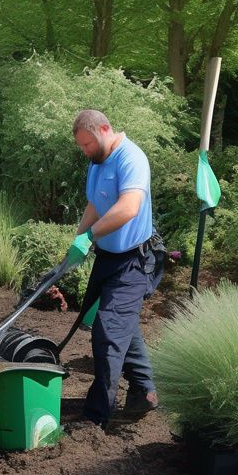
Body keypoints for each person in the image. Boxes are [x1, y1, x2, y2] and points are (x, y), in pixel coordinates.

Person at [66, 110, 165, 429]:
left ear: (105, 129)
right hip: (108, 258)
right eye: (81, 146)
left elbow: (128, 207)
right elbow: (96, 204)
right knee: (120, 322)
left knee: (108, 331)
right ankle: (144, 392)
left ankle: (96, 417)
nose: (85, 151)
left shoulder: (131, 158)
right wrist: (79, 240)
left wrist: (91, 236)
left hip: (134, 262)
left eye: (88, 144)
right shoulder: (97, 162)